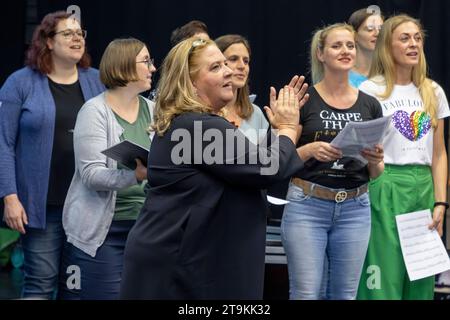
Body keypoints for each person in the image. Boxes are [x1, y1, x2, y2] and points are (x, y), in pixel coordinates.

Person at [120, 38, 309, 300]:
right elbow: (267, 167)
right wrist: (287, 129)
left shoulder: (196, 125)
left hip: (194, 264)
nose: (230, 71)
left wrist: (278, 131)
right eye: (216, 67)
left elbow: (248, 167)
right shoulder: (198, 126)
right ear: (191, 82)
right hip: (182, 272)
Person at [0, 11, 104, 299]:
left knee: (75, 288)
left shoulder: (97, 81)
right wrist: (10, 197)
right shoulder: (20, 83)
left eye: (80, 33)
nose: (76, 38)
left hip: (87, 208)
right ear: (47, 41)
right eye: (67, 33)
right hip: (42, 208)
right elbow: (3, 143)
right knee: (40, 285)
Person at [281, 23, 385, 300]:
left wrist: (376, 159)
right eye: (337, 46)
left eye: (350, 45)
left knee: (345, 295)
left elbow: (376, 172)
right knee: (305, 294)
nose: (345, 51)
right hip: (307, 205)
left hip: (355, 206)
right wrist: (310, 149)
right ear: (321, 54)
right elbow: (277, 160)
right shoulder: (304, 100)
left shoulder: (370, 104)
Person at [357, 15, 450, 300]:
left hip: (422, 189)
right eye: (405, 38)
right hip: (384, 184)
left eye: (418, 38)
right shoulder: (369, 90)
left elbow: (439, 154)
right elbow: (359, 148)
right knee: (382, 281)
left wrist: (441, 202)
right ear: (387, 45)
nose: (413, 44)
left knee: (419, 282)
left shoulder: (432, 90)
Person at [58, 38, 156, 300]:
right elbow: (91, 175)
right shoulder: (94, 111)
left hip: (146, 228)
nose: (153, 68)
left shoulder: (154, 110)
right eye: (146, 61)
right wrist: (134, 175)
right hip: (103, 233)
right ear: (124, 67)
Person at [215, 34, 269, 144]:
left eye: (246, 61)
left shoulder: (255, 113)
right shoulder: (203, 114)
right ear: (216, 64)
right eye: (233, 59)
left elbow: (268, 158)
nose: (242, 66)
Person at [348, 8, 384, 88]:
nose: (377, 34)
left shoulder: (390, 72)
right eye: (370, 29)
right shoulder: (341, 75)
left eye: (381, 29)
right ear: (354, 36)